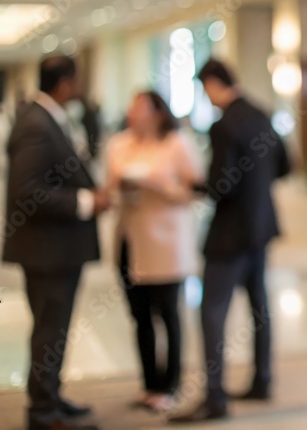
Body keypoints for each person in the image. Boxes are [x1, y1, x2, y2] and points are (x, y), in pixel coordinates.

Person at [171, 59, 291, 423]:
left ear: (212, 83)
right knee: (259, 306)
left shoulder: (224, 125)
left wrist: (193, 185)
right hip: (260, 226)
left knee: (211, 311)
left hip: (230, 232)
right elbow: (286, 165)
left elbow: (221, 185)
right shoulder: (261, 115)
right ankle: (262, 380)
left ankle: (215, 397)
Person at [4, 55, 110, 430]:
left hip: (57, 249)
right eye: (76, 81)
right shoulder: (36, 123)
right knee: (49, 332)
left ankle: (50, 397)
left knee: (55, 331)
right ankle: (43, 411)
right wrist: (85, 201)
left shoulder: (49, 118)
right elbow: (27, 191)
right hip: (47, 250)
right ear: (65, 83)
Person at [106, 91, 203, 413]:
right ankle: (149, 383)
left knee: (168, 313)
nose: (133, 114)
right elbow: (109, 186)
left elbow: (195, 189)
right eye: (131, 108)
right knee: (140, 315)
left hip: (166, 242)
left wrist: (161, 186)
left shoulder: (176, 144)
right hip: (130, 238)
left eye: (141, 109)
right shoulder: (119, 144)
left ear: (158, 113)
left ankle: (170, 384)